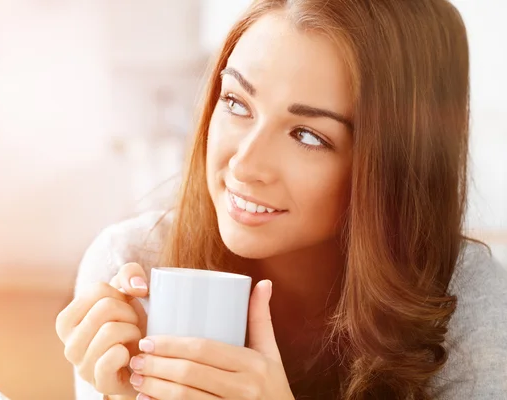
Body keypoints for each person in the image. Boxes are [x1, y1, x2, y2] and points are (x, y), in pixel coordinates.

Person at [55, 0, 507, 399]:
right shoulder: (133, 263)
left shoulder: (468, 305)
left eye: (307, 135)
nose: (245, 164)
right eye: (235, 102)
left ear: (399, 164)